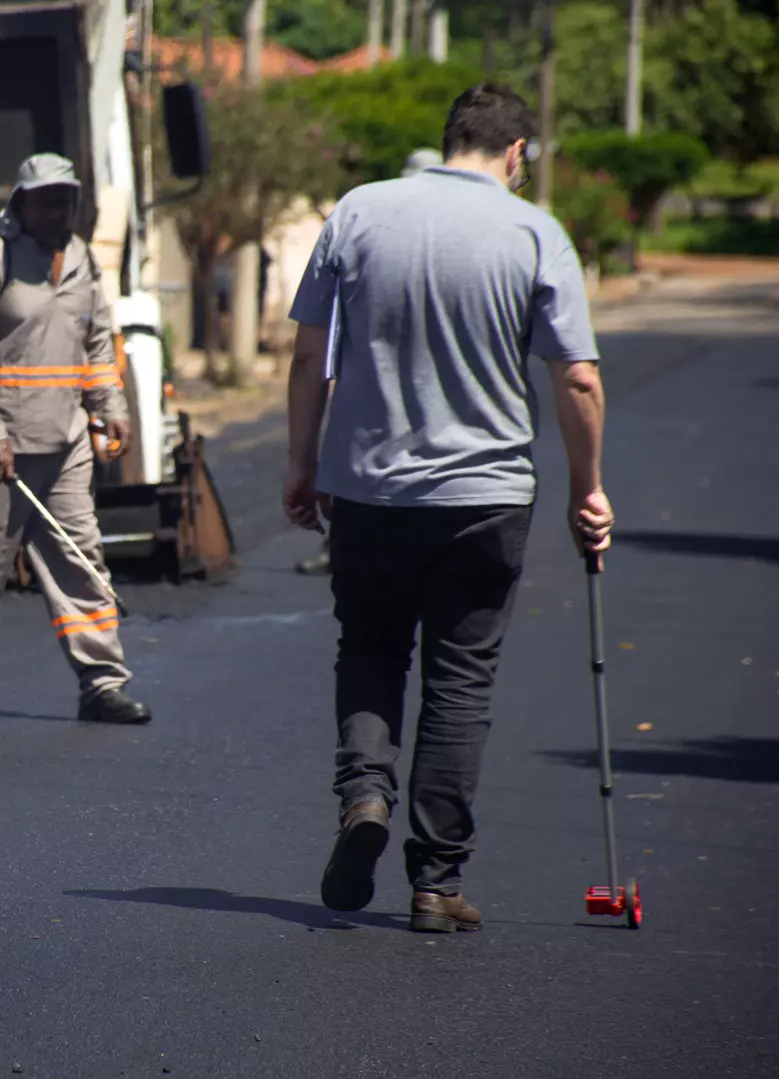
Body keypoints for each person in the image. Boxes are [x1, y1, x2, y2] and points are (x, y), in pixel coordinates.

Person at [283, 85, 614, 932]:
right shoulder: (532, 230)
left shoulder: (359, 211)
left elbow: (307, 351)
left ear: (448, 141)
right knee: (458, 686)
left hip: (368, 488)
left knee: (369, 649)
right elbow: (576, 375)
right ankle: (434, 883)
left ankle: (363, 799)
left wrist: (301, 464)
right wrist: (588, 489)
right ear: (516, 153)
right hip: (484, 498)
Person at [0, 153, 151, 725]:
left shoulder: (81, 261)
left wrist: (110, 407)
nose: (58, 211)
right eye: (47, 200)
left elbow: (97, 343)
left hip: (66, 442)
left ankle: (102, 682)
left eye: (66, 200)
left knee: (82, 557)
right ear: (20, 203)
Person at [293, 147, 445, 579]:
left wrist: (302, 464)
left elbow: (309, 353)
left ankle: (338, 542)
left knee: (372, 638)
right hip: (458, 472)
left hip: (374, 457)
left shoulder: (370, 231)